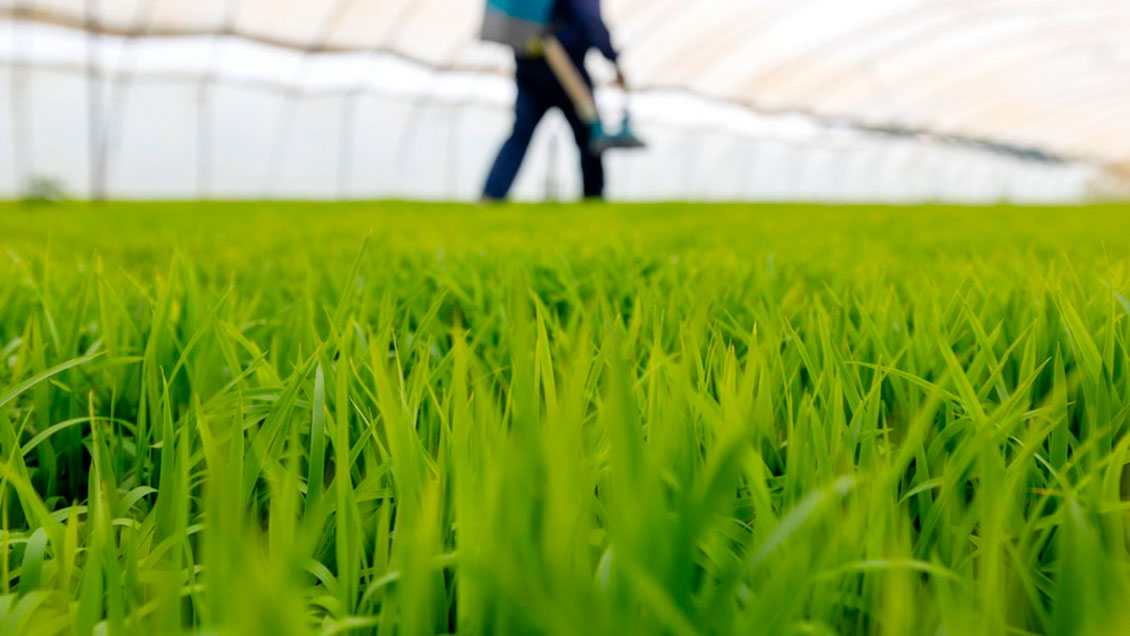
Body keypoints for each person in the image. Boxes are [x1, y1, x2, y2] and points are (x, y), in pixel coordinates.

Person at [482, 0, 626, 202]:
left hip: (529, 63)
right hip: (564, 66)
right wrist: (612, 57)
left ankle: (491, 194)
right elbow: (591, 19)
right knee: (588, 133)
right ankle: (594, 197)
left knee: (520, 135)